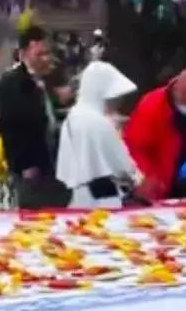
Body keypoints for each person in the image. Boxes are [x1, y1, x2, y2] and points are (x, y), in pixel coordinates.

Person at [0, 26, 69, 207]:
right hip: (29, 167)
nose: (46, 59)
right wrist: (25, 164)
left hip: (51, 163)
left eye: (48, 53)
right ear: (23, 54)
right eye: (39, 54)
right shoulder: (11, 83)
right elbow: (11, 126)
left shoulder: (46, 79)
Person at [55, 60, 140, 209]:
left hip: (79, 196)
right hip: (107, 199)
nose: (118, 100)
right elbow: (121, 165)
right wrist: (137, 177)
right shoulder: (98, 122)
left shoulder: (73, 116)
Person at [123, 68, 186, 199]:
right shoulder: (152, 106)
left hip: (185, 182)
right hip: (157, 184)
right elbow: (135, 148)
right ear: (176, 91)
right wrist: (148, 177)